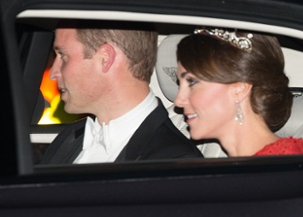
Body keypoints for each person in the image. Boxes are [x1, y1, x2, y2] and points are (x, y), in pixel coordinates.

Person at [41, 20, 203, 164]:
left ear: (105, 58)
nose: (54, 73)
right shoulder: (69, 137)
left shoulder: (174, 162)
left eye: (63, 56)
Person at [174, 28, 303, 157]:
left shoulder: (284, 164)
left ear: (239, 89)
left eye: (192, 83)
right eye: (180, 85)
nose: (178, 101)